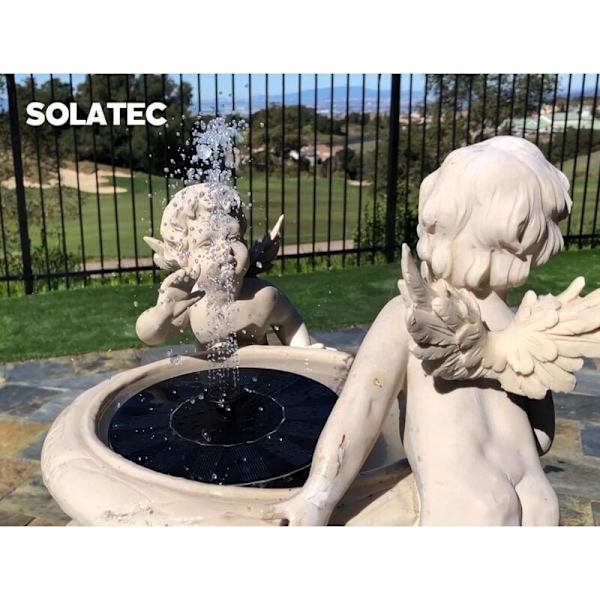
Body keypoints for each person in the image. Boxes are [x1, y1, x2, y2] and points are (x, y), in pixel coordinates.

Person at [268, 136, 597, 526]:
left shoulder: (409, 314)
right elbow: (541, 437)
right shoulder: (517, 323)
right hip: (537, 495)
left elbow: (363, 408)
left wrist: (316, 499)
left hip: (469, 496)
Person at [136, 183, 312, 350]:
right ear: (183, 256)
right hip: (210, 373)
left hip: (259, 371)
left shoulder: (265, 296)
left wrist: (305, 351)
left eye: (233, 238)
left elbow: (291, 323)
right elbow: (151, 337)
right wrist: (162, 314)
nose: (225, 249)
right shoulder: (192, 302)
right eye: (207, 244)